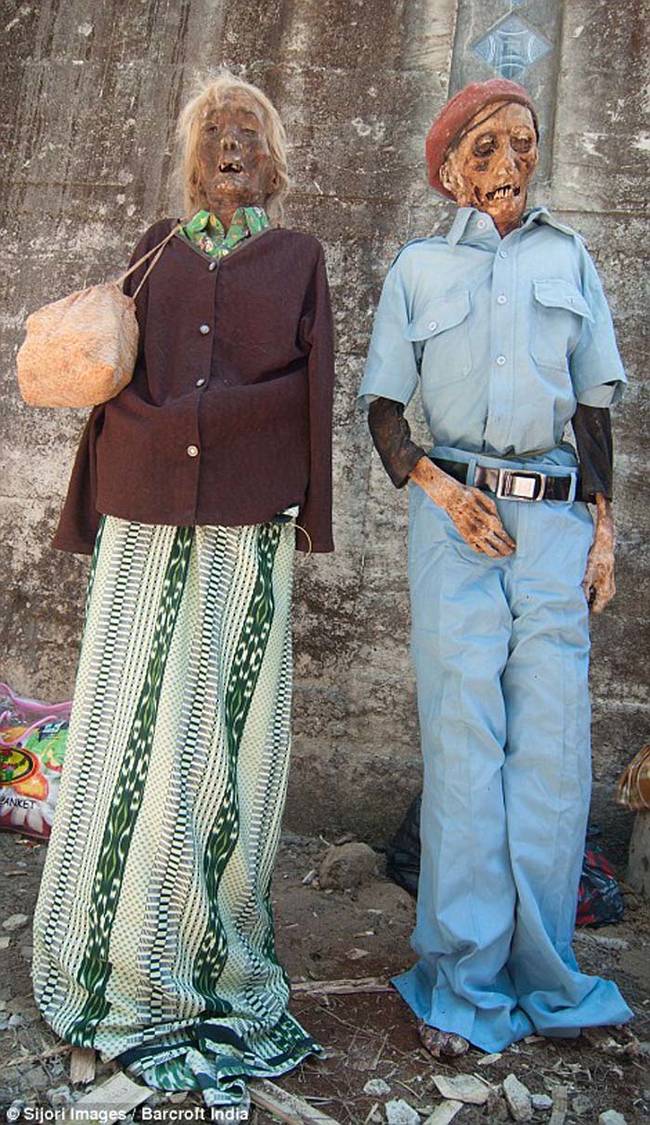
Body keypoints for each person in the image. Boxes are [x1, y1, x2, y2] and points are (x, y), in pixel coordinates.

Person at [32, 71, 334, 1109]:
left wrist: (307, 509)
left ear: (275, 160)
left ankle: (207, 944)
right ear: (188, 154)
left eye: (248, 130)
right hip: (143, 513)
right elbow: (113, 385)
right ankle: (108, 944)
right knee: (128, 721)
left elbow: (318, 385)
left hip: (247, 525)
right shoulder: (156, 246)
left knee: (220, 732)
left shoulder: (298, 258)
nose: (231, 143)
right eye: (213, 131)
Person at [358, 78, 633, 1058]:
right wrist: (440, 491)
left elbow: (592, 408)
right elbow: (383, 412)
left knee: (553, 749)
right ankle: (462, 981)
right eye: (487, 150)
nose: (510, 165)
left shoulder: (569, 258)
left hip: (554, 529)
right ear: (448, 170)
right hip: (455, 522)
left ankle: (546, 973)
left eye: (522, 144)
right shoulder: (417, 270)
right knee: (465, 746)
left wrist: (603, 530)